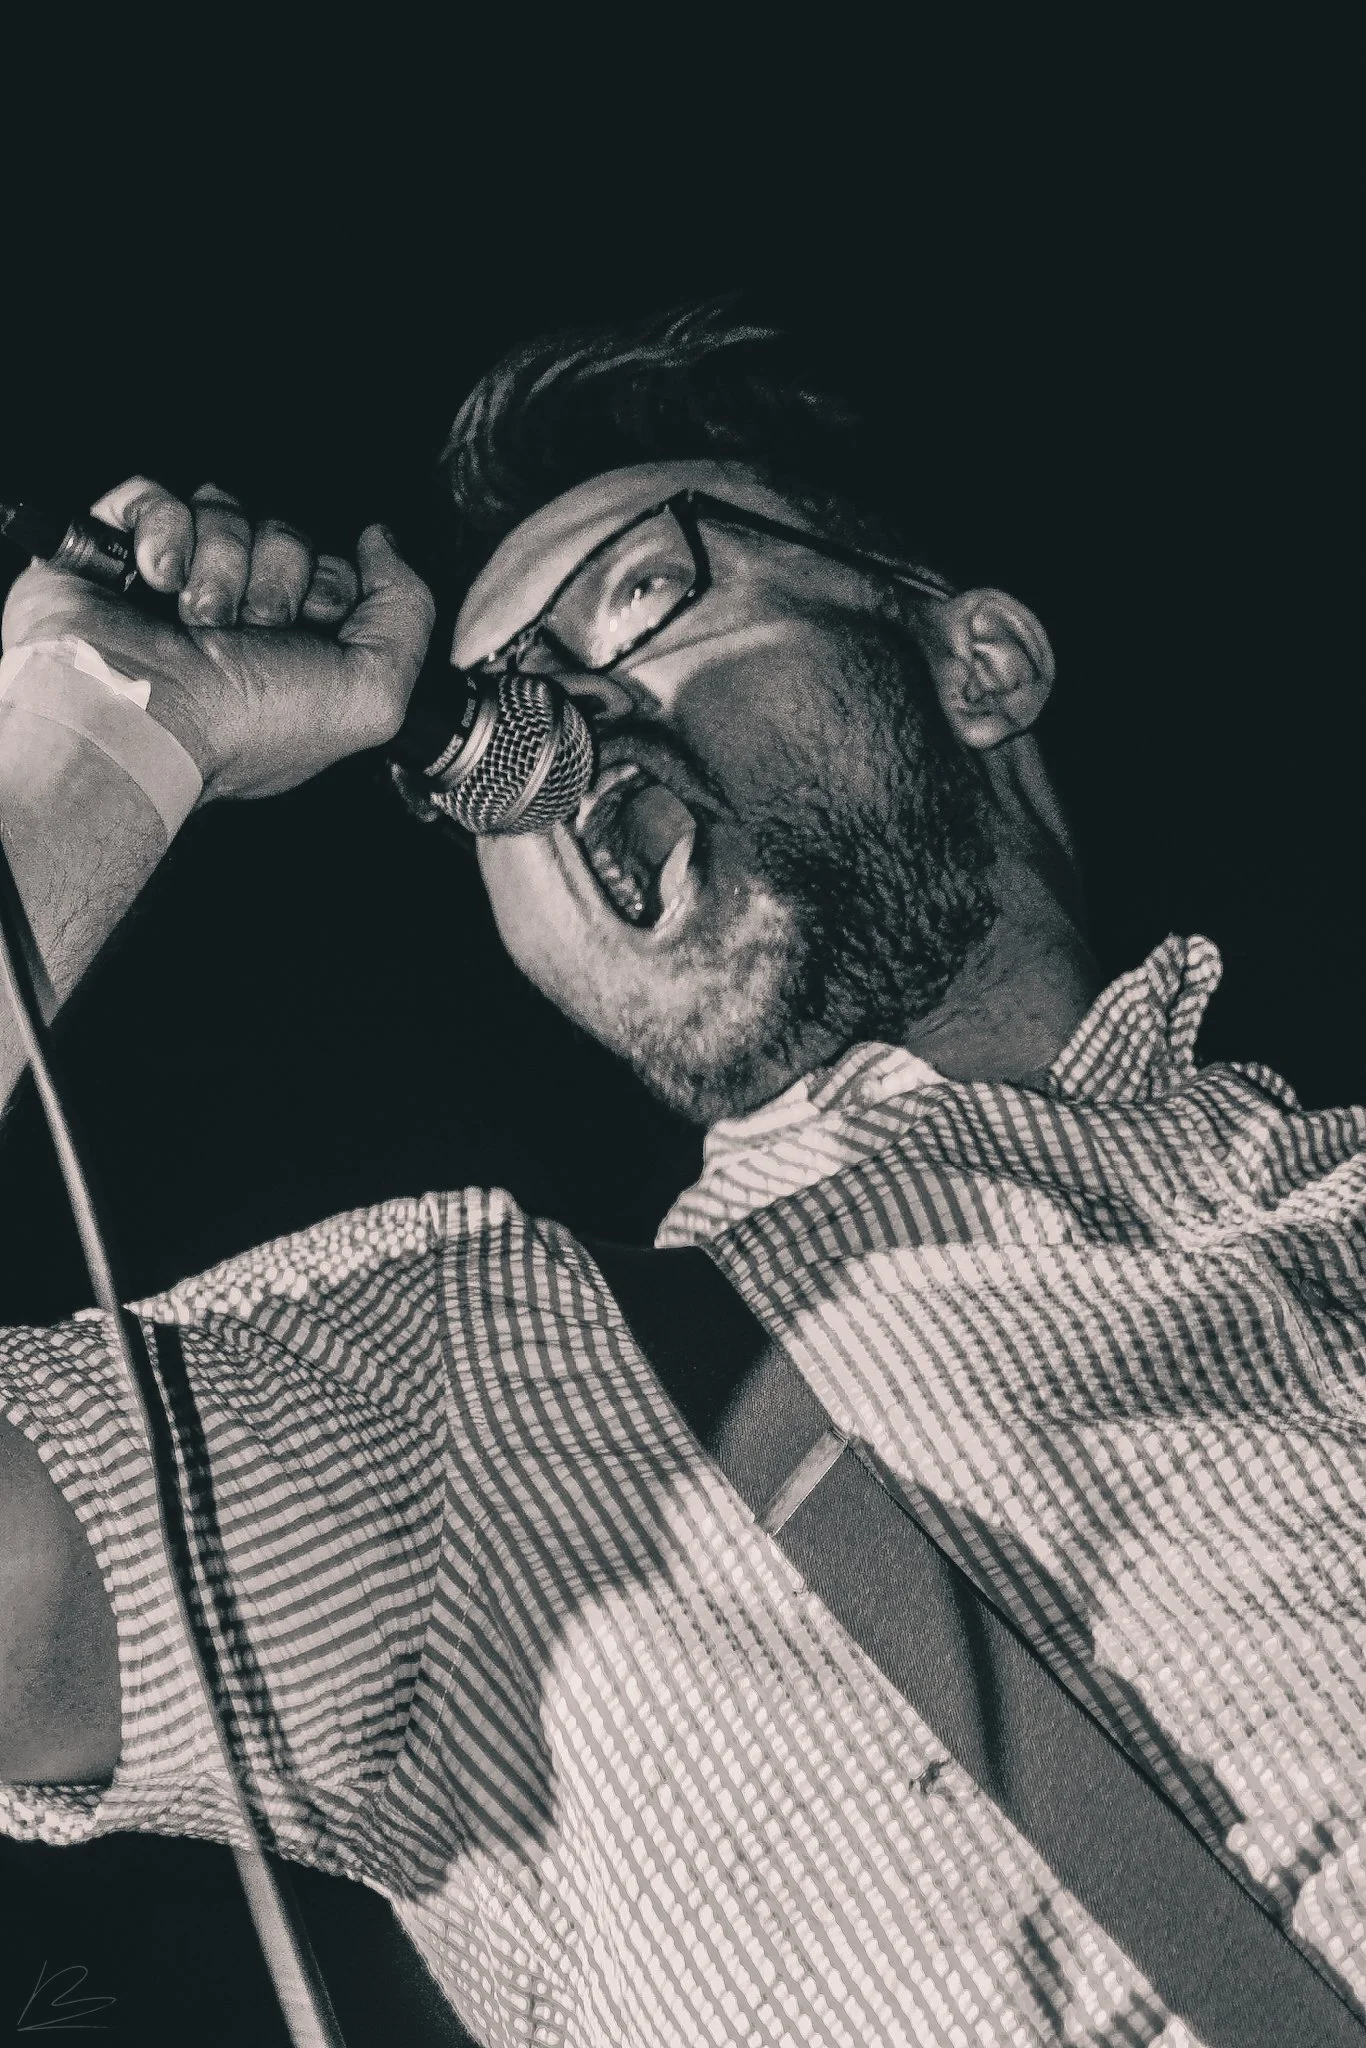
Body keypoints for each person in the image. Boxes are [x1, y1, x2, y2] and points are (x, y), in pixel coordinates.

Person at [0, 302, 1362, 2047]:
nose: (551, 718)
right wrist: (101, 727)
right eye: (489, 714)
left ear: (978, 666)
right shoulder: (482, 1383)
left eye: (643, 592)